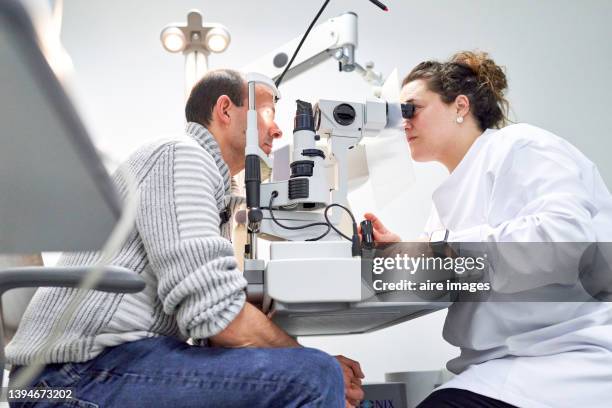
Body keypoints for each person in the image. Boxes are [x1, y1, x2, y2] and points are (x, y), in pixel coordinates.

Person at [7, 69, 364, 408]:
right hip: (67, 379)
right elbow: (217, 317)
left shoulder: (214, 187)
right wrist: (312, 362)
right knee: (313, 375)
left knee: (308, 374)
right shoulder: (181, 154)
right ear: (225, 109)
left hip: (100, 367)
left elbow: (212, 323)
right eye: (269, 111)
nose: (278, 130)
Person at [365, 51, 612, 407]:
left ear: (460, 106)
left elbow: (563, 240)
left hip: (567, 357)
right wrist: (400, 252)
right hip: (503, 364)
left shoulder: (521, 146)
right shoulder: (449, 197)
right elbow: (457, 265)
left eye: (411, 109)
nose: (404, 123)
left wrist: (440, 250)